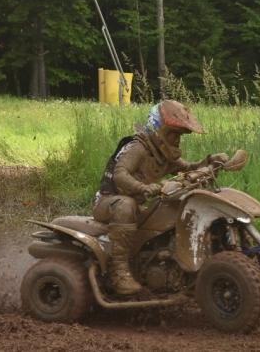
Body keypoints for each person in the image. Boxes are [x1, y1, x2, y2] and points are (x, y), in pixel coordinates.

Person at [92, 100, 230, 296]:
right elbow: (120, 174)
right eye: (173, 134)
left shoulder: (163, 154)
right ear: (158, 129)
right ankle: (118, 272)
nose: (176, 140)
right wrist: (143, 187)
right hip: (108, 201)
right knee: (126, 205)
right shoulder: (137, 147)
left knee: (167, 209)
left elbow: (188, 168)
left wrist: (209, 162)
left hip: (137, 205)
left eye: (179, 136)